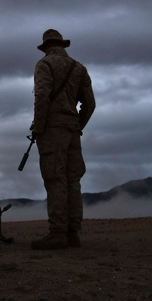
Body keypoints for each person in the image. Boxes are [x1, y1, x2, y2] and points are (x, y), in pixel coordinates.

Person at [30, 29, 96, 250]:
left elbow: (42, 97)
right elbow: (90, 104)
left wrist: (39, 128)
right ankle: (72, 232)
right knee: (72, 180)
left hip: (52, 130)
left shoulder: (44, 65)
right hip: (72, 130)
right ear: (62, 45)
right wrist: (77, 125)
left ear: (46, 47)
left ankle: (58, 232)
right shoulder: (79, 68)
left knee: (55, 178)